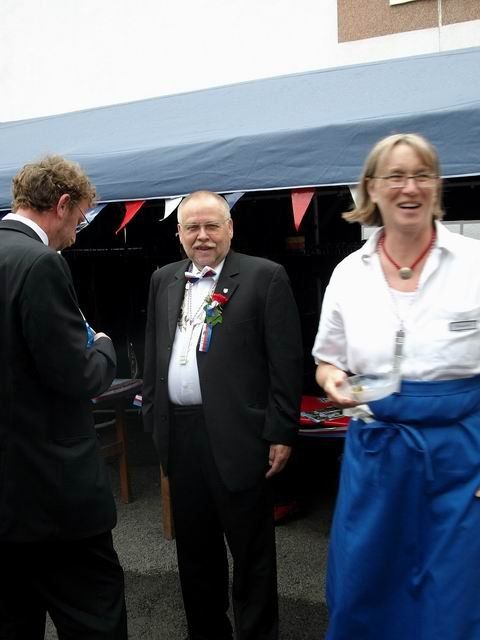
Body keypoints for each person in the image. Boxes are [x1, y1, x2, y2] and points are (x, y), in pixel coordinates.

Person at [312, 133, 480, 640]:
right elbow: (327, 359)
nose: (411, 187)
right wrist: (332, 379)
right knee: (366, 595)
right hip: (377, 455)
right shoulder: (348, 274)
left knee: (453, 604)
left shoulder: (474, 263)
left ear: (436, 186)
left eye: (422, 175)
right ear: (372, 188)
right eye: (396, 176)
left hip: (461, 458)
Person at [143, 190, 303, 640]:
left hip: (239, 436)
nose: (202, 236)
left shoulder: (264, 277)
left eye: (212, 225)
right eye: (192, 227)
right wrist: (154, 421)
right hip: (180, 435)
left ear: (230, 228)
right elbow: (154, 352)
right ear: (179, 233)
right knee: (195, 553)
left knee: (252, 554)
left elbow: (286, 362)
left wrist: (281, 430)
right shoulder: (163, 279)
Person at [0, 156, 127, 639]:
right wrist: (104, 346)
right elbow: (78, 376)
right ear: (62, 204)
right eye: (80, 218)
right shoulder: (40, 264)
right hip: (53, 500)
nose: (77, 231)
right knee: (95, 621)